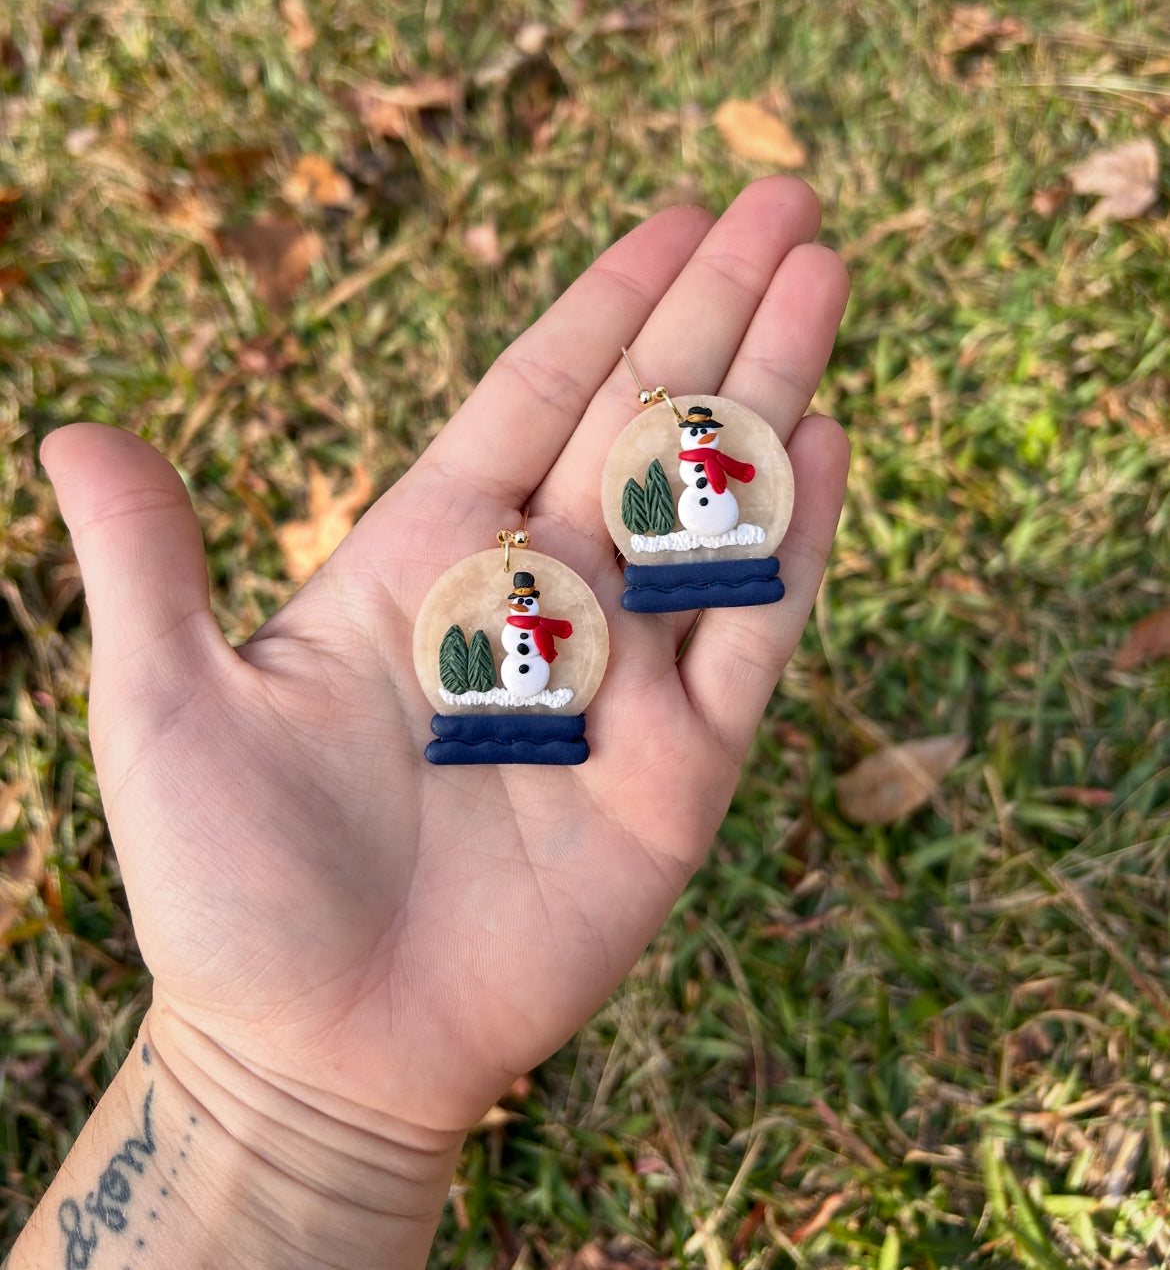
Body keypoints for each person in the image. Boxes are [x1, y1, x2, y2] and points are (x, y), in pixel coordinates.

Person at [9, 176, 850, 1270]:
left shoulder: (665, 512)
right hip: (534, 678)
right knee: (523, 681)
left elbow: (727, 478)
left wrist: (273, 1110)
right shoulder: (509, 617)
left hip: (617, 616)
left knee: (552, 671)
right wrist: (270, 1094)